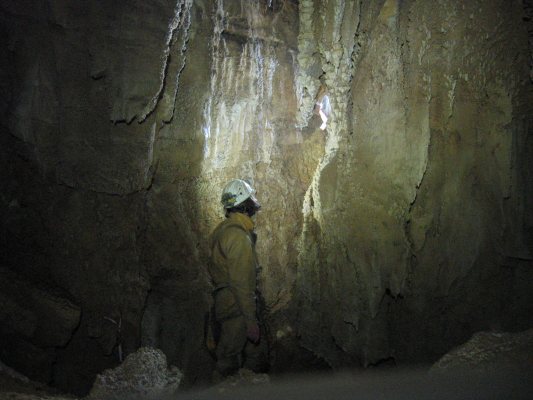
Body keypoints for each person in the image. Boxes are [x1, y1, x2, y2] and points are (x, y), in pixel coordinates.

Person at [209, 179, 267, 377]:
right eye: (251, 196)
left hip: (229, 304)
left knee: (251, 356)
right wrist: (251, 320)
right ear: (244, 203)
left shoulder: (224, 230)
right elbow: (242, 284)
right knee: (229, 362)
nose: (255, 199)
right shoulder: (238, 237)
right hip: (237, 309)